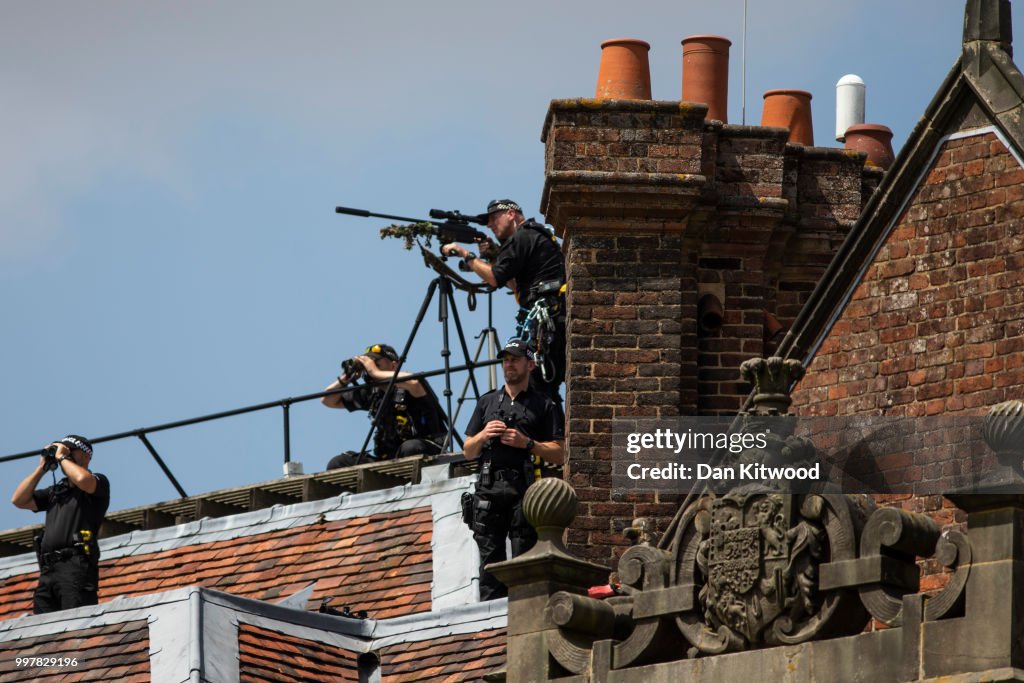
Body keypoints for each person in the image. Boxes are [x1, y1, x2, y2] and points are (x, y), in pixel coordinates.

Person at [462, 338, 565, 600]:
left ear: (529, 364)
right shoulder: (486, 402)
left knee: (524, 557)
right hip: (489, 488)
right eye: (505, 359)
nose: (508, 364)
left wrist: (527, 443)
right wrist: (484, 434)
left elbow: (562, 453)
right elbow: (468, 450)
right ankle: (489, 623)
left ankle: (523, 615)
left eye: (515, 359)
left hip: (524, 488)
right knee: (489, 561)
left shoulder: (545, 404)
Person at [442, 199, 566, 402]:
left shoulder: (523, 236)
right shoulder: (533, 234)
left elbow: (494, 278)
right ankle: (553, 431)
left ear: (511, 214)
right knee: (542, 382)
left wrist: (466, 254)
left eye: (493, 218)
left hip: (548, 320)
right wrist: (493, 257)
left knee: (538, 382)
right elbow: (514, 285)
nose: (490, 225)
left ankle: (553, 433)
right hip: (552, 317)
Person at [11, 435, 110, 614]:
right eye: (63, 451)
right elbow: (19, 500)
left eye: (71, 451)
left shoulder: (98, 482)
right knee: (42, 629)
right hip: (48, 570)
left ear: (87, 456)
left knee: (76, 622)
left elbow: (82, 480)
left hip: (75, 566)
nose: (66, 455)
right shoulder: (56, 491)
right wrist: (42, 468)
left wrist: (63, 457)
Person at [322, 343, 450, 468]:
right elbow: (328, 400)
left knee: (410, 448)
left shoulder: (410, 384)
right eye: (368, 365)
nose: (369, 369)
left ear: (394, 365)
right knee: (338, 462)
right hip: (389, 458)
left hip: (424, 449)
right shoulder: (372, 392)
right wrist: (346, 378)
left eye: (376, 363)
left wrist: (375, 372)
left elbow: (414, 382)